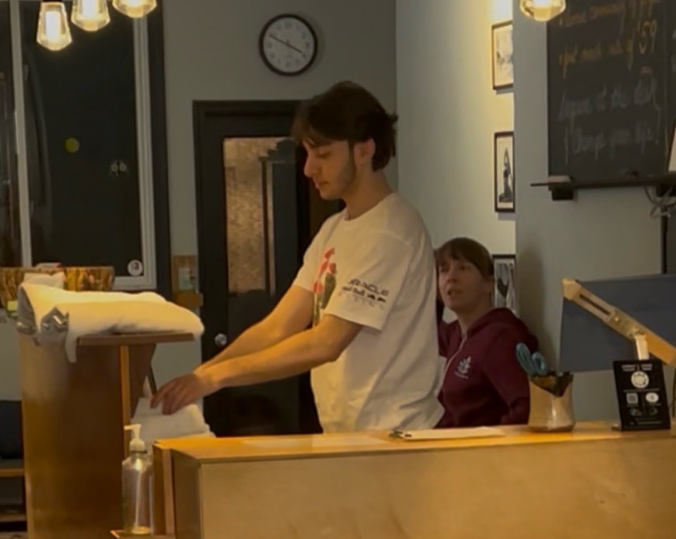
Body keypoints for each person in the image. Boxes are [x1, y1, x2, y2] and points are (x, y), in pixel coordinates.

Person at [154, 81, 441, 432]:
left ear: (364, 150)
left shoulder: (390, 231)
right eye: (307, 154)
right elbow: (279, 325)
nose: (309, 169)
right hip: (351, 433)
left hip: (396, 433)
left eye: (323, 155)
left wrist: (217, 377)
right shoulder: (335, 228)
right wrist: (202, 374)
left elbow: (327, 342)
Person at [435, 237, 540, 427]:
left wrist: (487, 439)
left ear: (488, 284)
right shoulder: (455, 334)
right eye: (444, 270)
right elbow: (422, 337)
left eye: (463, 268)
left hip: (479, 444)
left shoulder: (499, 337)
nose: (451, 277)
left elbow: (527, 407)